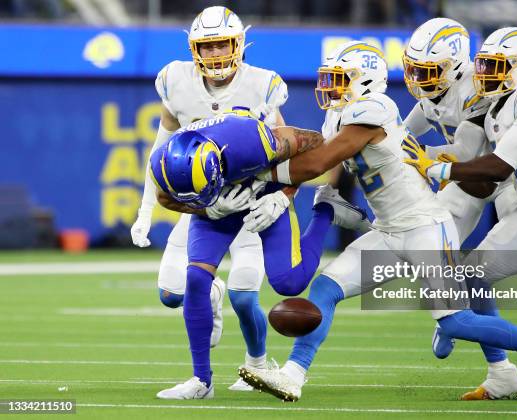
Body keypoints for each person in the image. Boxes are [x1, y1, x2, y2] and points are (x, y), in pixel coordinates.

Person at [238, 40, 517, 404]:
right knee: (325, 289)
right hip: (388, 230)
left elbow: (318, 162)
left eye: (340, 79)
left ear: (365, 81)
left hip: (425, 227)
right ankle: (292, 376)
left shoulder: (375, 109)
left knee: (454, 322)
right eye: (329, 78)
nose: (330, 87)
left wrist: (258, 174)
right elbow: (327, 158)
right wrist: (311, 191)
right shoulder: (341, 113)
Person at [150, 108, 369, 400]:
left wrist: (283, 196)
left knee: (289, 283)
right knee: (196, 280)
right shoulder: (163, 164)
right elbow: (165, 199)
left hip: (266, 192)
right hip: (218, 207)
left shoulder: (252, 141)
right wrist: (205, 207)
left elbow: (316, 145)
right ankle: (202, 381)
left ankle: (325, 209)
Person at [129, 6, 293, 392]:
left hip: (250, 203)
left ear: (238, 44)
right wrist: (145, 209)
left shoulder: (261, 84)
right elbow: (160, 153)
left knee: (244, 293)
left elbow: (287, 149)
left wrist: (281, 198)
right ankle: (209, 304)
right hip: (205, 206)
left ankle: (256, 366)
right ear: (193, 49)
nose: (217, 54)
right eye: (208, 46)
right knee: (172, 294)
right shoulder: (176, 81)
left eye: (222, 44)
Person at [403, 18, 517, 400]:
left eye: (428, 71)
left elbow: (467, 153)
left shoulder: (480, 82)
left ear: (455, 64)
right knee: (428, 248)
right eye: (416, 69)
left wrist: (422, 158)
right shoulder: (434, 92)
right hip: (468, 181)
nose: (420, 79)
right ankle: (497, 366)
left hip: (508, 177)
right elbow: (404, 132)